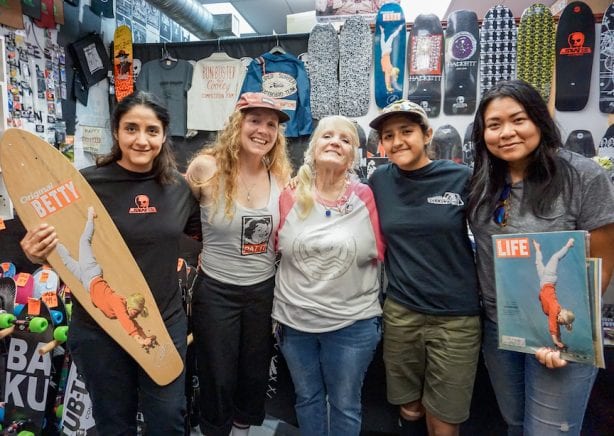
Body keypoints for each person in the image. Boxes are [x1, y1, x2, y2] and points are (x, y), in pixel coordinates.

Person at [20, 91, 202, 434]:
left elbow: (205, 233)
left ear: (164, 134)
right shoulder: (85, 185)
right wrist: (35, 252)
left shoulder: (179, 188)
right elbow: (54, 244)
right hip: (98, 328)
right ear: (116, 131)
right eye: (131, 128)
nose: (141, 140)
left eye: (152, 130)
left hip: (162, 320)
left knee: (168, 420)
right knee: (113, 423)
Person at [467, 80, 614, 435]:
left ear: (539, 120)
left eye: (518, 120)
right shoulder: (483, 181)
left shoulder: (582, 176)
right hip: (500, 328)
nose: (506, 132)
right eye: (494, 124)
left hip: (559, 331)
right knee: (515, 422)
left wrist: (570, 332)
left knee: (548, 431)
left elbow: (602, 261)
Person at [368, 99, 481, 436]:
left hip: (456, 317)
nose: (397, 141)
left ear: (427, 134)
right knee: (409, 406)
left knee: (444, 418)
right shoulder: (379, 181)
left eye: (406, 131)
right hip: (402, 312)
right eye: (389, 136)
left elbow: (494, 232)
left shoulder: (461, 178)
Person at [185, 92, 292, 436]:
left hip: (262, 291)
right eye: (254, 120)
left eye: (271, 124)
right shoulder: (206, 168)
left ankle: (242, 431)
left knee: (253, 372)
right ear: (237, 124)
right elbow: (177, 218)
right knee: (216, 375)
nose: (263, 130)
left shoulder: (281, 177)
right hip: (216, 290)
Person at [272, 115, 383, 435]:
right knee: (307, 399)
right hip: (295, 324)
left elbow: (380, 251)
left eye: (345, 139)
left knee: (345, 404)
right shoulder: (288, 195)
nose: (335, 142)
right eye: (327, 136)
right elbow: (274, 248)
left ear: (353, 156)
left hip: (352, 325)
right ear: (312, 148)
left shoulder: (365, 196)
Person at [57, 206, 154, 348]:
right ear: (130, 305)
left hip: (86, 282)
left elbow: (133, 324)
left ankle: (53, 242)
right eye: (135, 311)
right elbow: (127, 323)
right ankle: (91, 216)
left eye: (137, 314)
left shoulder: (120, 310)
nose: (134, 315)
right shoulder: (118, 303)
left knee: (66, 260)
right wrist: (139, 340)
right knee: (84, 241)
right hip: (92, 273)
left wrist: (146, 338)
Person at [533, 238, 576, 349]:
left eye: (561, 323)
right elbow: (552, 326)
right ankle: (568, 245)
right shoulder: (555, 309)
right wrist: (555, 341)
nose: (559, 323)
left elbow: (556, 327)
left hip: (544, 281)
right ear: (562, 315)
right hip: (549, 279)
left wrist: (560, 341)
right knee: (555, 257)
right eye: (562, 322)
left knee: (538, 263)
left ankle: (537, 248)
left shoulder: (557, 314)